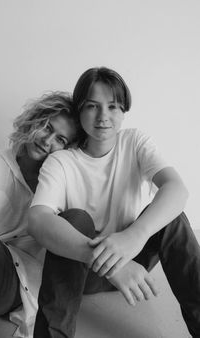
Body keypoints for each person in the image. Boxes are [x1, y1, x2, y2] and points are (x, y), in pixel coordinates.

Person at [29, 67, 200, 338]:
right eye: (92, 107)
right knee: (74, 219)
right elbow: (38, 220)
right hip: (83, 267)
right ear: (80, 110)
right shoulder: (62, 161)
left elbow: (177, 189)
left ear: (123, 111)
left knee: (174, 220)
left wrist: (135, 235)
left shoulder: (134, 142)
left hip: (134, 256)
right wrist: (109, 262)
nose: (103, 117)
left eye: (113, 106)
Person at [0, 91, 79, 338]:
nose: (47, 140)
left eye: (61, 140)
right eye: (46, 127)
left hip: (12, 284)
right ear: (33, 121)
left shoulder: (58, 193)